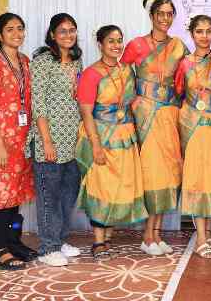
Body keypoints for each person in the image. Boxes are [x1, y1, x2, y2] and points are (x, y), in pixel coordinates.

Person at [121, 0, 188, 256]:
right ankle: (147, 236)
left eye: (169, 13)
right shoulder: (136, 45)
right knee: (151, 173)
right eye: (160, 13)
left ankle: (156, 234)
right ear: (151, 16)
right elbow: (122, 77)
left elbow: (188, 77)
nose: (165, 18)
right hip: (145, 117)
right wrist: (134, 102)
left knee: (169, 172)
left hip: (170, 115)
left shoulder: (180, 46)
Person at [77, 25, 148, 258]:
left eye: (119, 40)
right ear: (100, 44)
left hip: (125, 136)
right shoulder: (91, 74)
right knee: (102, 186)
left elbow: (133, 101)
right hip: (101, 135)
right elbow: (86, 113)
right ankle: (98, 241)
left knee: (120, 186)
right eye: (111, 41)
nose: (116, 45)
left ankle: (108, 235)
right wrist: (96, 145)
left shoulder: (127, 70)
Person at [28, 13, 84, 267]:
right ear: (52, 34)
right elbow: (38, 104)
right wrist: (46, 141)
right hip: (48, 139)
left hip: (72, 138)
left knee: (67, 193)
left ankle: (60, 240)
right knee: (49, 195)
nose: (68, 35)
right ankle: (48, 247)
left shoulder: (76, 61)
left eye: (72, 30)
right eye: (62, 31)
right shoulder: (42, 62)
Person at [0, 12, 35, 270]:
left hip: (22, 140)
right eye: (10, 29)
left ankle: (14, 241)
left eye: (20, 28)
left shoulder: (25, 61)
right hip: (2, 140)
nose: (17, 33)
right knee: (3, 197)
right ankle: (0, 250)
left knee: (17, 196)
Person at [176, 15, 211, 259]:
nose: (204, 36)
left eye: (208, 31)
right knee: (196, 179)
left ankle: (206, 233)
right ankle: (202, 237)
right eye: (199, 31)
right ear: (192, 34)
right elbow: (178, 93)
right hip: (193, 126)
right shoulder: (184, 63)